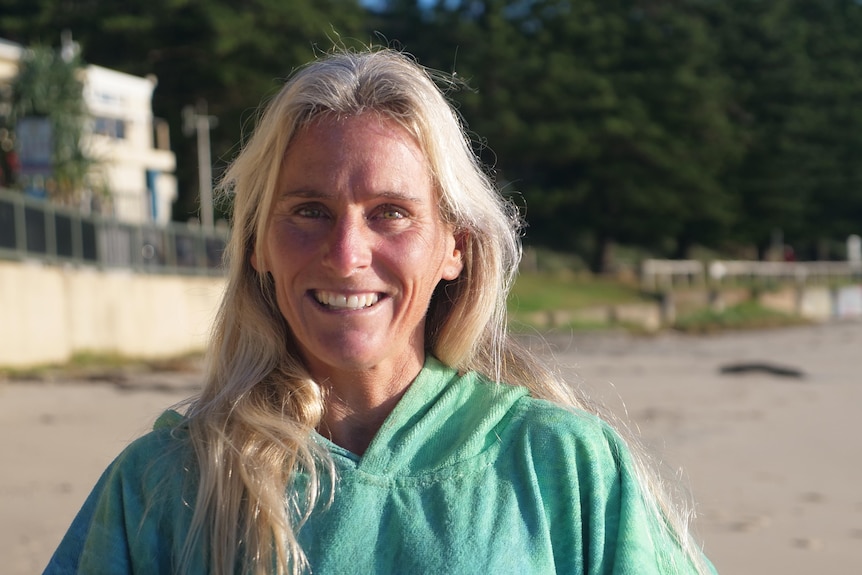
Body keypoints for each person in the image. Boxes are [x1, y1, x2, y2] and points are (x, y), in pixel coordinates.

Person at [44, 48, 715, 575]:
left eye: (390, 213)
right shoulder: (165, 483)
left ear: (454, 246)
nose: (345, 253)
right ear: (257, 246)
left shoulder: (559, 463)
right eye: (309, 211)